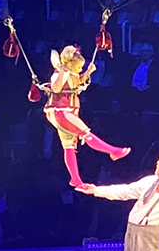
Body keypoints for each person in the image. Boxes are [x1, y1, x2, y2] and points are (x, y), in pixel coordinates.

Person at [38, 44, 130, 189]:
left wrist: (87, 72)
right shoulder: (60, 73)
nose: (80, 70)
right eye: (79, 67)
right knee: (85, 132)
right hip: (61, 112)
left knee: (68, 146)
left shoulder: (72, 74)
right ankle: (113, 151)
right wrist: (61, 73)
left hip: (67, 111)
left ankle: (75, 179)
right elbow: (56, 88)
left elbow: (78, 82)